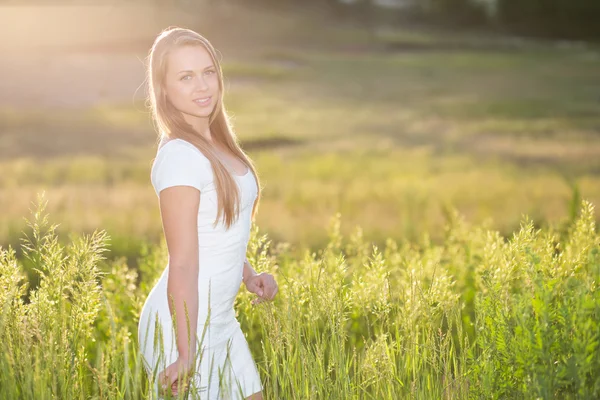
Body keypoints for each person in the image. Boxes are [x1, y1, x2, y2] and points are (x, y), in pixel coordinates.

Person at [137, 27, 278, 400]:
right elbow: (182, 263)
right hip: (183, 327)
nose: (202, 86)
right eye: (186, 77)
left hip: (220, 321)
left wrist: (247, 274)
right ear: (164, 89)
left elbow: (215, 231)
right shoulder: (180, 156)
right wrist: (186, 355)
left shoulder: (217, 144)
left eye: (208, 72)